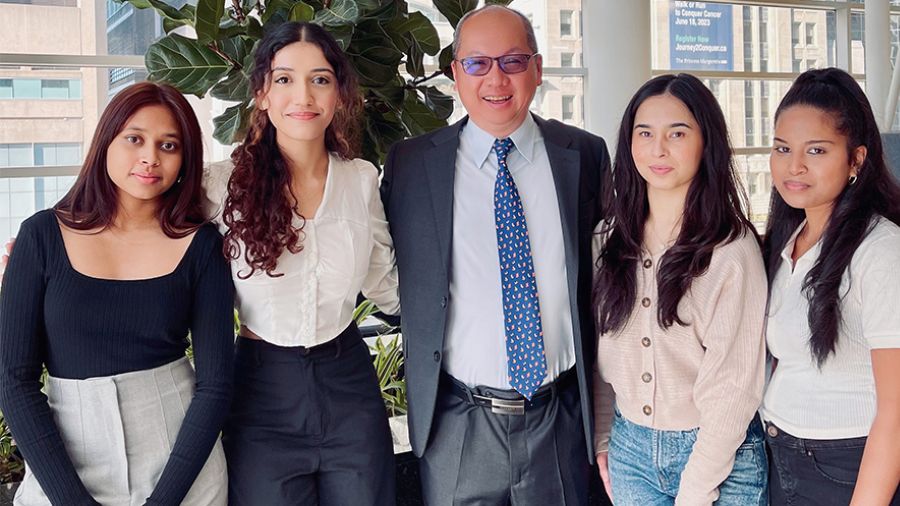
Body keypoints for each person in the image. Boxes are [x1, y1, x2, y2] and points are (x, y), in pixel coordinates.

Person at [381, 5, 609, 505]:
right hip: (458, 425)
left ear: (538, 69)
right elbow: (384, 279)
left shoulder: (585, 156)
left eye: (512, 61)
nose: (496, 79)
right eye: (477, 63)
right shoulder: (411, 164)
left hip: (560, 420)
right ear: (455, 74)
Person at [0, 82, 234, 505]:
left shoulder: (201, 246)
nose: (150, 157)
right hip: (65, 465)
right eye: (134, 139)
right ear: (106, 141)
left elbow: (216, 384)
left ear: (184, 161)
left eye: (169, 145)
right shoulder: (41, 237)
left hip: (179, 465)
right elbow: (13, 380)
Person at [202, 22, 399, 505]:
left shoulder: (361, 180)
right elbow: (141, 224)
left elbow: (385, 284)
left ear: (338, 96)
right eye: (285, 78)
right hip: (259, 393)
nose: (304, 95)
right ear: (262, 94)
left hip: (348, 384)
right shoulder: (218, 185)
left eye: (321, 79)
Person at [591, 74, 768, 506]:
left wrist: (695, 491)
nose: (658, 149)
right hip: (629, 450)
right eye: (645, 133)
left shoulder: (731, 249)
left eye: (678, 133)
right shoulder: (606, 239)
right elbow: (599, 352)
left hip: (720, 457)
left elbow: (734, 390)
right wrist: (603, 439)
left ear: (706, 142)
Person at [760, 67, 900, 505]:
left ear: (856, 159)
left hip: (845, 468)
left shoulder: (880, 252)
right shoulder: (787, 242)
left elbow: (896, 414)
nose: (793, 166)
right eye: (783, 148)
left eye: (816, 150)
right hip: (777, 456)